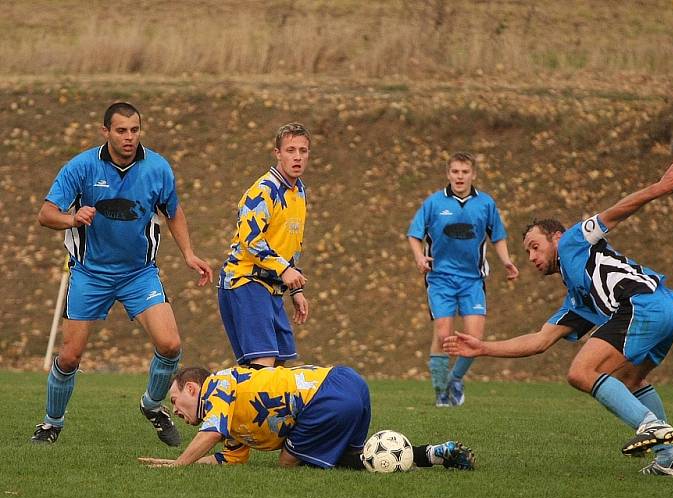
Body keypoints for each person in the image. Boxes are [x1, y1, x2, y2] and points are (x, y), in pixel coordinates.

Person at [444, 160, 673, 476]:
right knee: (630, 379)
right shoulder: (578, 297)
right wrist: (482, 348)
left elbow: (616, 212)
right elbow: (539, 341)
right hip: (670, 309)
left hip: (645, 305)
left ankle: (650, 425)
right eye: (527, 254)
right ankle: (668, 461)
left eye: (535, 247)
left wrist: (660, 188)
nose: (533, 258)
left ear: (556, 237)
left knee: (580, 371)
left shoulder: (574, 241)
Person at [30, 102, 213, 447]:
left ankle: (152, 406)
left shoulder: (157, 167)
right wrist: (73, 219)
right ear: (106, 132)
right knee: (69, 357)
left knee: (170, 345)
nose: (129, 137)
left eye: (134, 130)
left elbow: (173, 212)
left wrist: (188, 253)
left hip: (138, 274)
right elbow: (46, 214)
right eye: (121, 130)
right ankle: (51, 423)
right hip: (89, 273)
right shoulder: (82, 166)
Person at [137, 364, 476, 470]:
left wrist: (178, 465)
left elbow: (211, 433)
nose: (176, 411)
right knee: (360, 460)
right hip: (349, 382)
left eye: (175, 399)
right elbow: (229, 458)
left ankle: (430, 454)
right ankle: (432, 453)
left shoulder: (218, 387)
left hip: (325, 397)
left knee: (289, 464)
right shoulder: (227, 415)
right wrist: (188, 462)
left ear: (193, 388)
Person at [407, 152, 519, 407]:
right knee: (444, 334)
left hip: (472, 280)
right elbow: (414, 235)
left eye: (464, 172)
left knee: (474, 339)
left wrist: (506, 261)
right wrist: (419, 258)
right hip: (441, 279)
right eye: (455, 172)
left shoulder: (486, 204)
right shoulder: (434, 203)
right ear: (448, 174)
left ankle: (455, 379)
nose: (459, 176)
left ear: (473, 175)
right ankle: (440, 392)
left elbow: (497, 236)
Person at [217, 123, 311, 368]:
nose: (298, 156)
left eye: (303, 150)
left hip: (272, 286)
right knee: (263, 363)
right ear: (277, 153)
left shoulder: (299, 191)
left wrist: (296, 289)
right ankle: (220, 400)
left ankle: (247, 403)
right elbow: (252, 241)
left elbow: (291, 244)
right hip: (245, 281)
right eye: (291, 150)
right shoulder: (263, 191)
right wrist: (284, 270)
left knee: (281, 364)